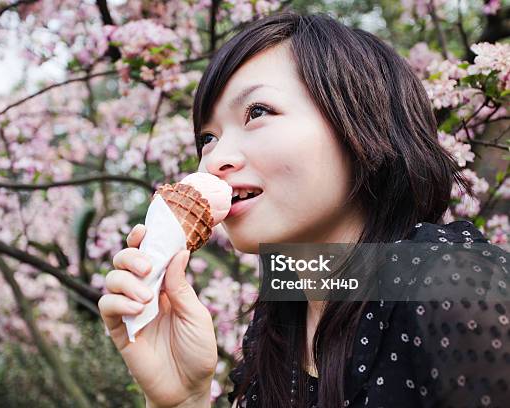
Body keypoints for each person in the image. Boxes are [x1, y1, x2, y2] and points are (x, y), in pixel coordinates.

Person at [98, 12, 510, 408]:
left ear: (361, 124)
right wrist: (183, 400)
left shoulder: (459, 284)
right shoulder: (277, 326)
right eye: (207, 137)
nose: (214, 158)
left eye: (257, 112)